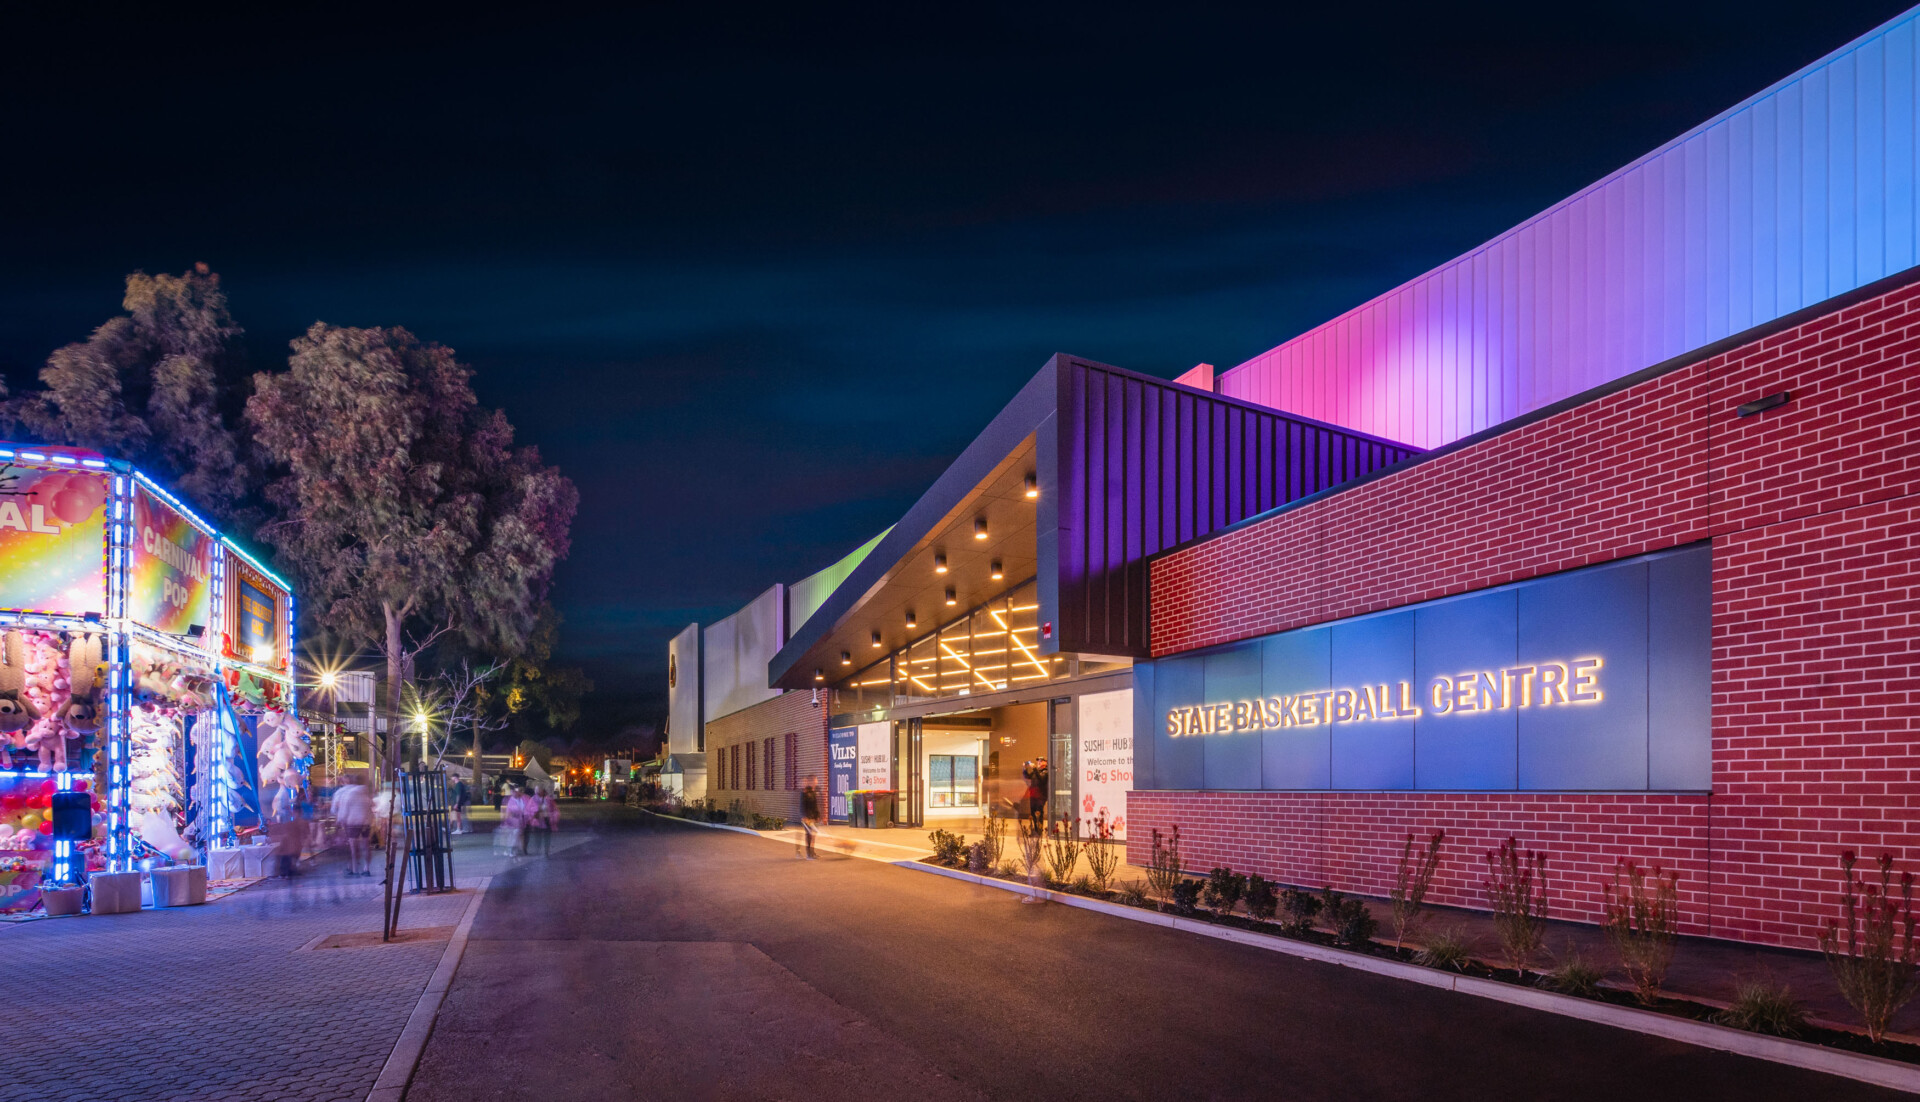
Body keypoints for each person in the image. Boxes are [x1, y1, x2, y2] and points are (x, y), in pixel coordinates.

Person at [333, 776, 373, 876]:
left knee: (353, 847)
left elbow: (342, 810)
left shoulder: (347, 794)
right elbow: (371, 806)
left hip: (352, 823)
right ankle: (367, 869)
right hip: (366, 822)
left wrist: (339, 821)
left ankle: (354, 870)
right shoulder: (365, 793)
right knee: (366, 845)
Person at [798, 776, 820, 859]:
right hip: (807, 817)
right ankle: (808, 854)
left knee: (813, 835)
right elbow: (802, 806)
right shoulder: (804, 793)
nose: (817, 782)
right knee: (809, 835)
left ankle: (812, 852)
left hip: (812, 817)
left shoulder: (813, 792)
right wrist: (804, 816)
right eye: (815, 780)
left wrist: (817, 815)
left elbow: (815, 805)